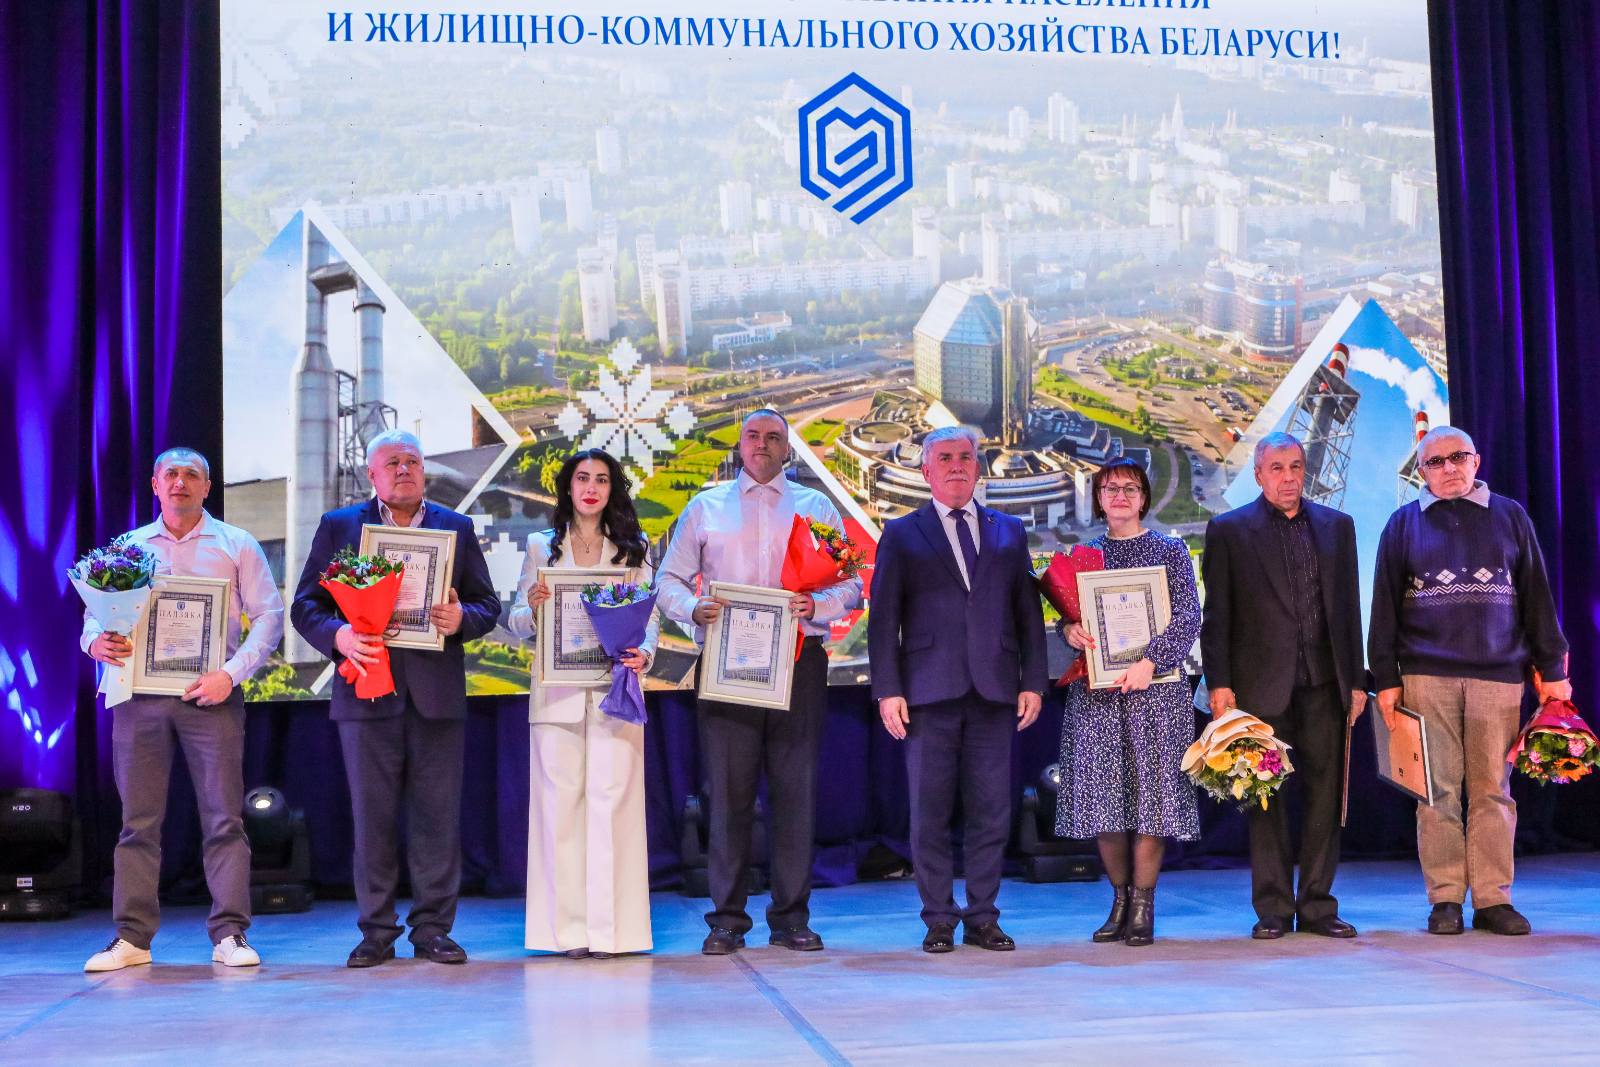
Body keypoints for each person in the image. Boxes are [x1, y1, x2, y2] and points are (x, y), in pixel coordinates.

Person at [289, 429, 500, 967]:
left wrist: (462, 618)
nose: (403, 469)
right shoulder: (340, 526)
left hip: (437, 697)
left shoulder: (456, 527)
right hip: (364, 692)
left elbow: (486, 605)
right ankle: (376, 932)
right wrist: (339, 636)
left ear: (423, 471)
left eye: (412, 461)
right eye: (392, 462)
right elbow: (306, 606)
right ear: (372, 475)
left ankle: (433, 930)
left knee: (437, 821)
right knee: (372, 821)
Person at [656, 408, 862, 955]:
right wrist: (692, 608)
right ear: (740, 445)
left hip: (799, 661)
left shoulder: (816, 508)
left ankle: (791, 918)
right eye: (753, 435)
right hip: (727, 664)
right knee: (728, 795)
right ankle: (726, 920)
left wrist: (815, 604)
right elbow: (667, 580)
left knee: (795, 793)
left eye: (774, 437)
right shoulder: (706, 507)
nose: (763, 444)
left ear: (787, 449)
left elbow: (851, 586)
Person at [81, 448, 284, 972]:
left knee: (224, 819)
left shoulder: (236, 544)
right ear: (155, 484)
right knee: (137, 823)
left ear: (207, 487)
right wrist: (96, 643)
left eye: (191, 474)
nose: (180, 482)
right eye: (170, 474)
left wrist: (230, 675)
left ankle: (230, 933)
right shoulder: (128, 548)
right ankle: (132, 938)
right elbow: (94, 618)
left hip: (211, 695)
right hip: (138, 697)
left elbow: (269, 616)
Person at [1368, 427, 1570, 936]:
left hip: (1498, 676)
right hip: (1425, 675)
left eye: (1458, 457)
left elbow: (1537, 596)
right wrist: (1386, 679)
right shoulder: (1402, 524)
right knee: (1435, 792)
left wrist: (1553, 670)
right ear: (1422, 471)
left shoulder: (1510, 516)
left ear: (1476, 461)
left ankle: (1493, 900)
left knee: (1492, 791)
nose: (1449, 468)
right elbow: (1384, 608)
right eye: (1435, 462)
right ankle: (1445, 900)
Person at [867, 426, 1047, 953]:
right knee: (930, 814)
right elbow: (884, 621)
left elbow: (1028, 615)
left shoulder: (1008, 530)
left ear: (977, 466)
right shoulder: (902, 533)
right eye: (944, 458)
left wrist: (1034, 681)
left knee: (992, 812)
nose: (956, 465)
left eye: (965, 457)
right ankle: (939, 919)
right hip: (927, 693)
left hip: (995, 692)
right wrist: (888, 689)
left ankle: (983, 917)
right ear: (927, 471)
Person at [1201, 431, 1365, 940]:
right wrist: (1220, 684)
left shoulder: (1337, 526)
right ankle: (1272, 908)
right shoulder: (1229, 530)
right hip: (1260, 688)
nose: (1288, 477)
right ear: (1259, 474)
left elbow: (1349, 609)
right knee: (1265, 798)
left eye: (1295, 467)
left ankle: (1317, 906)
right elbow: (1217, 615)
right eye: (1277, 468)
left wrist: (1357, 681)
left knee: (1324, 799)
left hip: (1326, 684)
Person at [507, 449, 658, 959]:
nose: (591, 488)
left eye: (601, 479)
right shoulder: (540, 546)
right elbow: (517, 622)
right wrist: (531, 608)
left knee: (614, 804)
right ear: (567, 488)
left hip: (617, 690)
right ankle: (566, 933)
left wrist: (646, 653)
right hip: (557, 695)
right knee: (559, 810)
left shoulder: (634, 547)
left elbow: (650, 617)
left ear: (612, 489)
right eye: (582, 479)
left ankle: (615, 933)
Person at [1054, 457, 1201, 947]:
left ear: (1144, 498)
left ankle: (1143, 905)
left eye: (1130, 489)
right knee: (1105, 802)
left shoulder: (1169, 550)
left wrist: (1150, 661)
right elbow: (1069, 616)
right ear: (1099, 499)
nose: (1120, 496)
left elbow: (1188, 616)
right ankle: (1118, 901)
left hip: (1156, 694)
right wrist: (1069, 631)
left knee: (1152, 802)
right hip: (1097, 695)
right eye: (1111, 489)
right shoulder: (1085, 555)